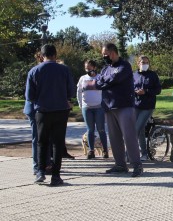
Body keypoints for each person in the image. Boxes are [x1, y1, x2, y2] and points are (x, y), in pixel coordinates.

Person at [83, 43, 143, 177]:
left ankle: (137, 165)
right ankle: (120, 164)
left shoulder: (124, 66)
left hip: (124, 106)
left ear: (113, 52)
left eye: (106, 54)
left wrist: (102, 82)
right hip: (109, 107)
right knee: (115, 138)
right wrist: (102, 81)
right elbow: (99, 81)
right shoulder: (105, 68)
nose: (104, 57)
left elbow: (113, 79)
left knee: (129, 136)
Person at [25, 44, 75, 186]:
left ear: (42, 56)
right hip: (60, 111)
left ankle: (40, 171)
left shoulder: (34, 71)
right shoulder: (64, 70)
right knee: (57, 143)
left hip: (42, 111)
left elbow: (29, 95)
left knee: (42, 142)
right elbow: (70, 91)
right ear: (55, 54)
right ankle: (56, 176)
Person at [77, 60, 109, 159]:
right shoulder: (83, 78)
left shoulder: (100, 77)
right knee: (90, 130)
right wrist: (81, 104)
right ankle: (91, 151)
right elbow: (79, 91)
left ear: (94, 67)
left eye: (90, 67)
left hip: (99, 107)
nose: (88, 69)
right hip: (87, 107)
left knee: (101, 129)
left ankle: (105, 150)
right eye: (86, 68)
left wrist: (105, 104)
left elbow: (105, 91)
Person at [133, 55, 161, 161]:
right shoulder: (134, 75)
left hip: (148, 106)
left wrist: (146, 91)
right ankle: (144, 153)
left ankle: (129, 153)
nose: (144, 64)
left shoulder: (152, 75)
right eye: (142, 62)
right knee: (139, 130)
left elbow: (158, 90)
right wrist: (135, 92)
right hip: (136, 105)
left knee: (136, 129)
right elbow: (129, 88)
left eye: (146, 62)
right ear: (138, 63)